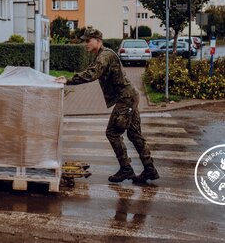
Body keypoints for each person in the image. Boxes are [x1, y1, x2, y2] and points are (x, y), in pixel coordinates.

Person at [55, 28, 159, 184]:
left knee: (112, 132)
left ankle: (126, 169)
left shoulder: (105, 55)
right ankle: (149, 169)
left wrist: (68, 80)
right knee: (134, 134)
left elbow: (92, 73)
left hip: (126, 98)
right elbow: (93, 70)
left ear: (98, 40)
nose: (85, 44)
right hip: (129, 97)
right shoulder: (103, 54)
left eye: (88, 40)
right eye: (85, 40)